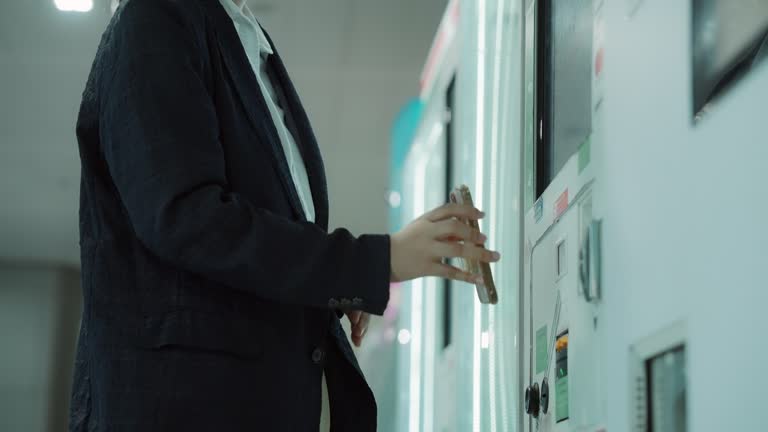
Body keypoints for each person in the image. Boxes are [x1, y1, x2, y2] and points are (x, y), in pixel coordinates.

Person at [69, 0, 500, 431]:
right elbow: (187, 219)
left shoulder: (243, 36)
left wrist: (330, 288)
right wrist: (368, 263)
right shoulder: (156, 16)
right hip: (187, 404)